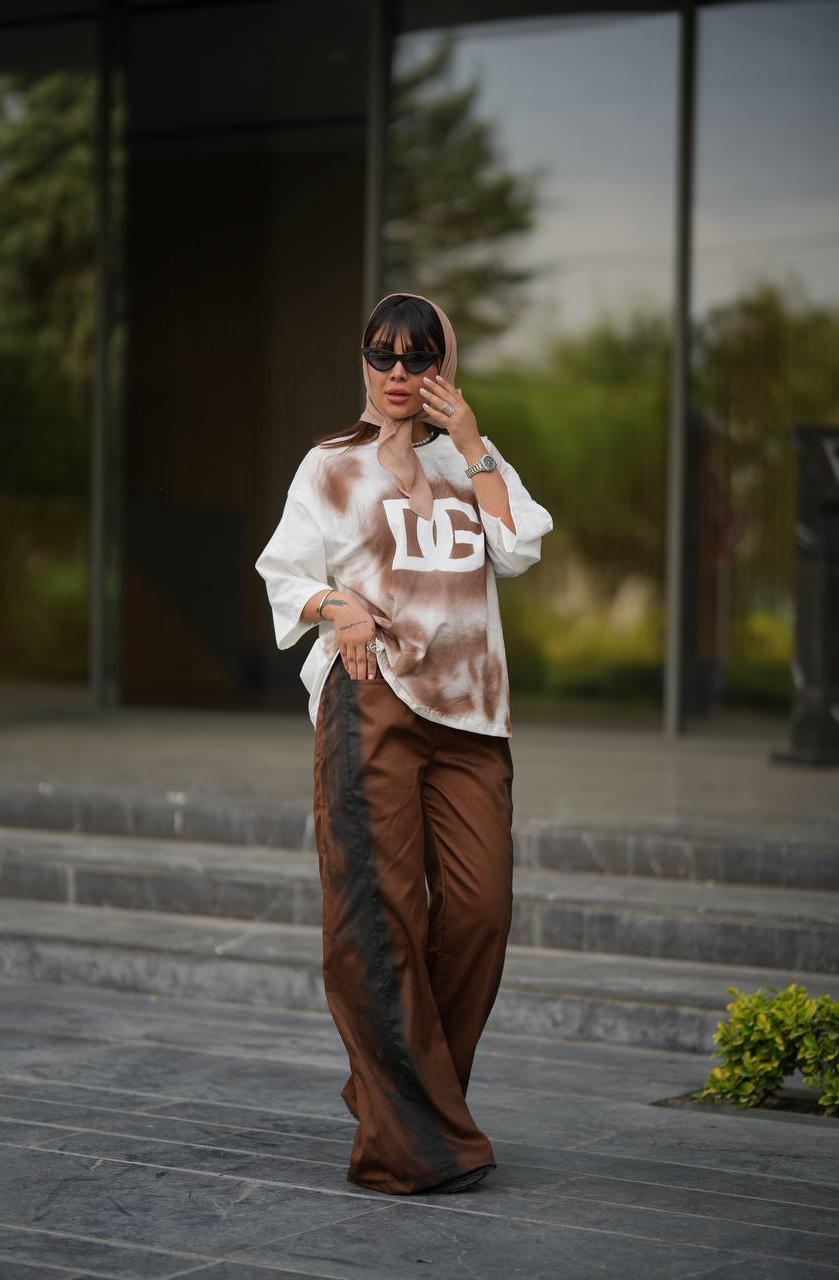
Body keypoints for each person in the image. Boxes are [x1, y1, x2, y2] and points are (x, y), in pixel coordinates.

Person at [255, 291, 552, 1196]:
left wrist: (471, 444)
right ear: (363, 361)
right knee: (378, 915)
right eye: (381, 355)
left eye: (418, 357)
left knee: (478, 913)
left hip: (472, 715)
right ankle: (405, 1142)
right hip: (371, 696)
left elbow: (518, 549)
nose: (397, 373)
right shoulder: (330, 465)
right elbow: (284, 572)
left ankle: (397, 1093)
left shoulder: (474, 461)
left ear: (443, 366)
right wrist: (337, 604)